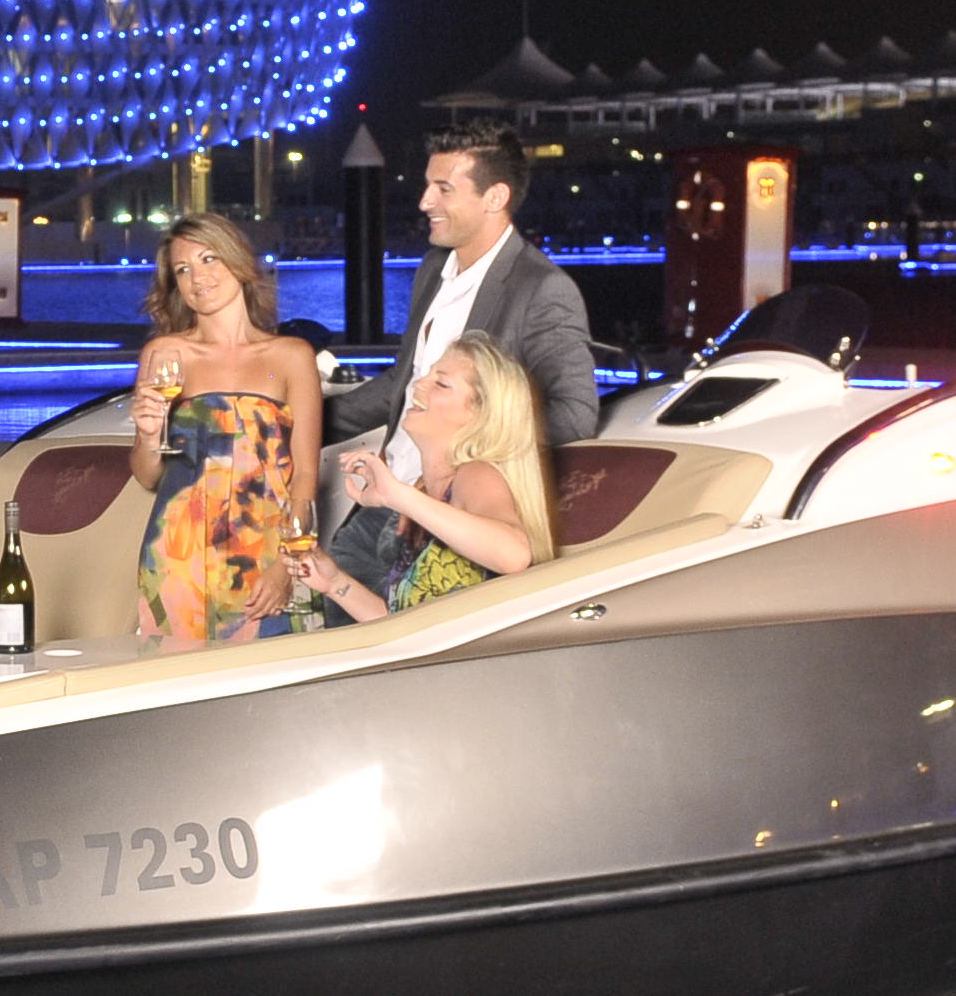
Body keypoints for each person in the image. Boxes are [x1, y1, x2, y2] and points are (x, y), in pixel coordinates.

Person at [326, 126, 601, 461]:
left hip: (456, 488)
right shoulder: (433, 267)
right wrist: (298, 424)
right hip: (391, 480)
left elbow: (575, 417)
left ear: (495, 198)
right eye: (428, 185)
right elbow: (407, 380)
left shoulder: (542, 288)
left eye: (444, 189)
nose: (425, 201)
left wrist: (465, 442)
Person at [128, 212, 327, 648]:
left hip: (270, 551)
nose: (197, 277)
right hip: (179, 555)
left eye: (208, 259)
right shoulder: (166, 354)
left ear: (237, 261)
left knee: (280, 674)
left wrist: (287, 565)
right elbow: (147, 475)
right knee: (177, 679)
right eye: (183, 269)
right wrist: (149, 434)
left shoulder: (292, 356)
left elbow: (306, 476)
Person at [293, 334, 562, 622]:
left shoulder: (476, 474)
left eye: (441, 383)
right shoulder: (428, 490)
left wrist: (396, 495)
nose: (419, 384)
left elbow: (514, 555)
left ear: (479, 413)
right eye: (427, 375)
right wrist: (334, 583)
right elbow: (400, 620)